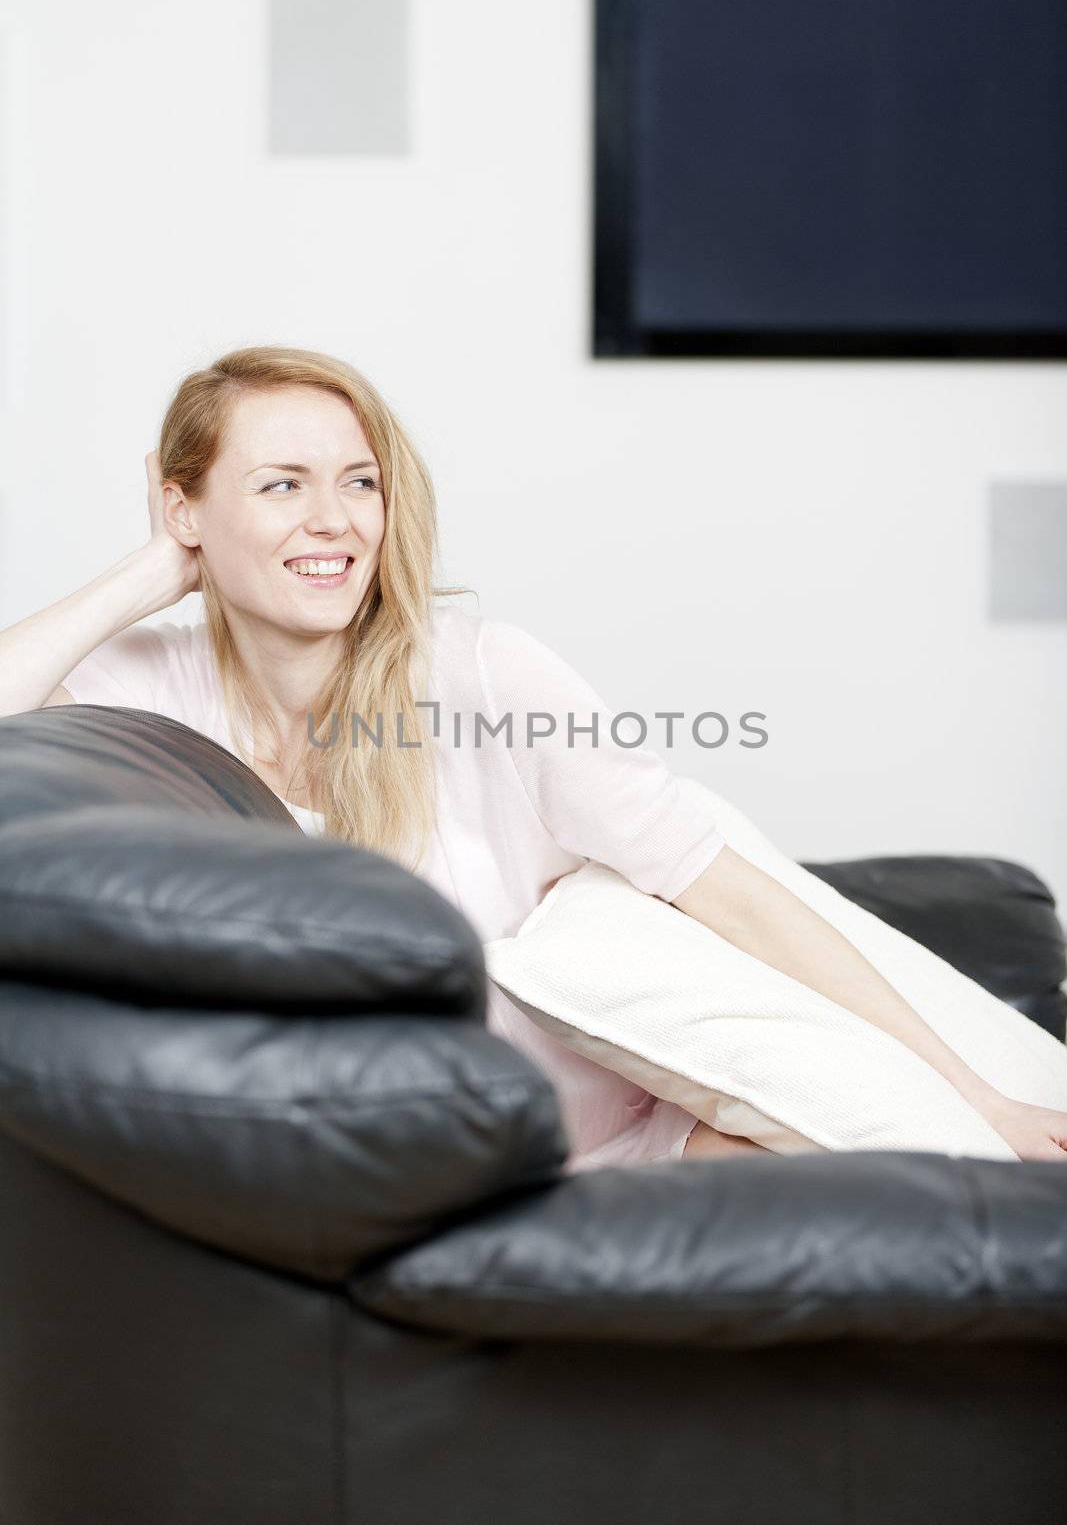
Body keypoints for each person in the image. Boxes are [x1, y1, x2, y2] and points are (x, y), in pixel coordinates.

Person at [1, 345, 1064, 1168]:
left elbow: (733, 897)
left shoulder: (487, 678)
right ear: (186, 504)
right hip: (405, 1165)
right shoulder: (149, 684)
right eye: (281, 484)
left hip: (640, 1137)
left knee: (909, 1166)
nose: (335, 520)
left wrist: (975, 1098)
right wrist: (151, 568)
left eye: (358, 481)